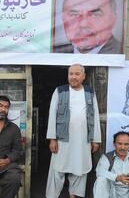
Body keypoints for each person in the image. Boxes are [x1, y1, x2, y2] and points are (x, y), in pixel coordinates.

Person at [46, 63, 101, 198]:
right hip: (62, 139)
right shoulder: (60, 91)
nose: (73, 77)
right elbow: (52, 114)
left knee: (80, 169)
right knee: (57, 169)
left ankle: (74, 195)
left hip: (83, 140)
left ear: (83, 76)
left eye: (77, 74)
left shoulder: (90, 92)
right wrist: (52, 138)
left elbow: (96, 116)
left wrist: (96, 139)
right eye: (71, 74)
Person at [53, 0, 122, 54]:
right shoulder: (54, 54)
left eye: (95, 15)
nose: (83, 24)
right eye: (74, 15)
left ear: (112, 19)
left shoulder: (123, 53)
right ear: (63, 18)